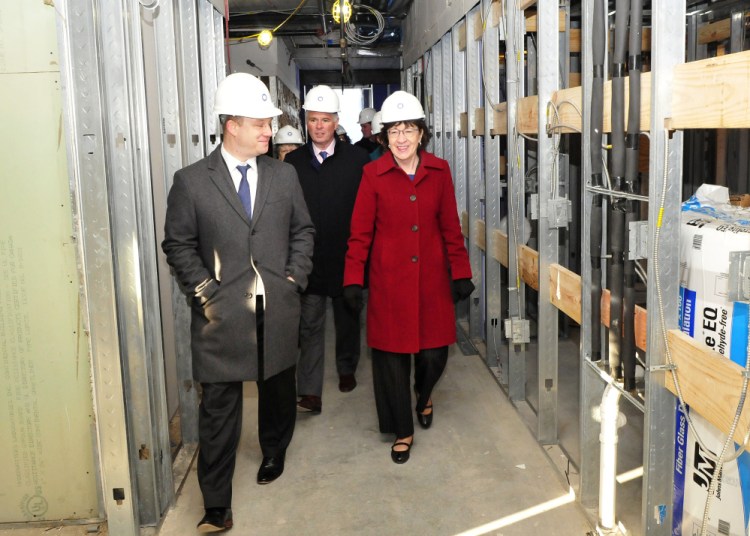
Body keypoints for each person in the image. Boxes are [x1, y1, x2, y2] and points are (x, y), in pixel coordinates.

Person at [161, 73, 314, 532]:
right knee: (219, 410)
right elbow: (178, 244)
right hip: (220, 315)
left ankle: (274, 450)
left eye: (269, 124)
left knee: (278, 389)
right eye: (261, 124)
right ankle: (216, 504)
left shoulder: (283, 175)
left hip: (278, 306)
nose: (270, 131)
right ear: (231, 126)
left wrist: (294, 277)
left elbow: (302, 231)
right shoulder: (191, 182)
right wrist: (205, 291)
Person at [342, 90, 474, 464]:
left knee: (433, 355)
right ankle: (403, 429)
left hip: (432, 282)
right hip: (389, 284)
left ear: (421, 134)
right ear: (383, 137)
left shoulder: (439, 170)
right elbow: (360, 233)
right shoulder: (372, 175)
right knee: (391, 361)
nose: (401, 139)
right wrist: (353, 278)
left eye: (408, 130)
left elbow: (450, 225)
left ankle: (425, 391)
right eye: (394, 131)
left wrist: (460, 271)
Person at [285, 85, 370, 414]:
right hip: (308, 259)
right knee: (310, 325)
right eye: (313, 120)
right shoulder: (292, 163)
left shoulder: (357, 161)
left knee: (348, 319)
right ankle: (309, 390)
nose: (319, 126)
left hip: (347, 257)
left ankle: (346, 368)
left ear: (336, 121)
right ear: (307, 122)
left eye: (325, 120)